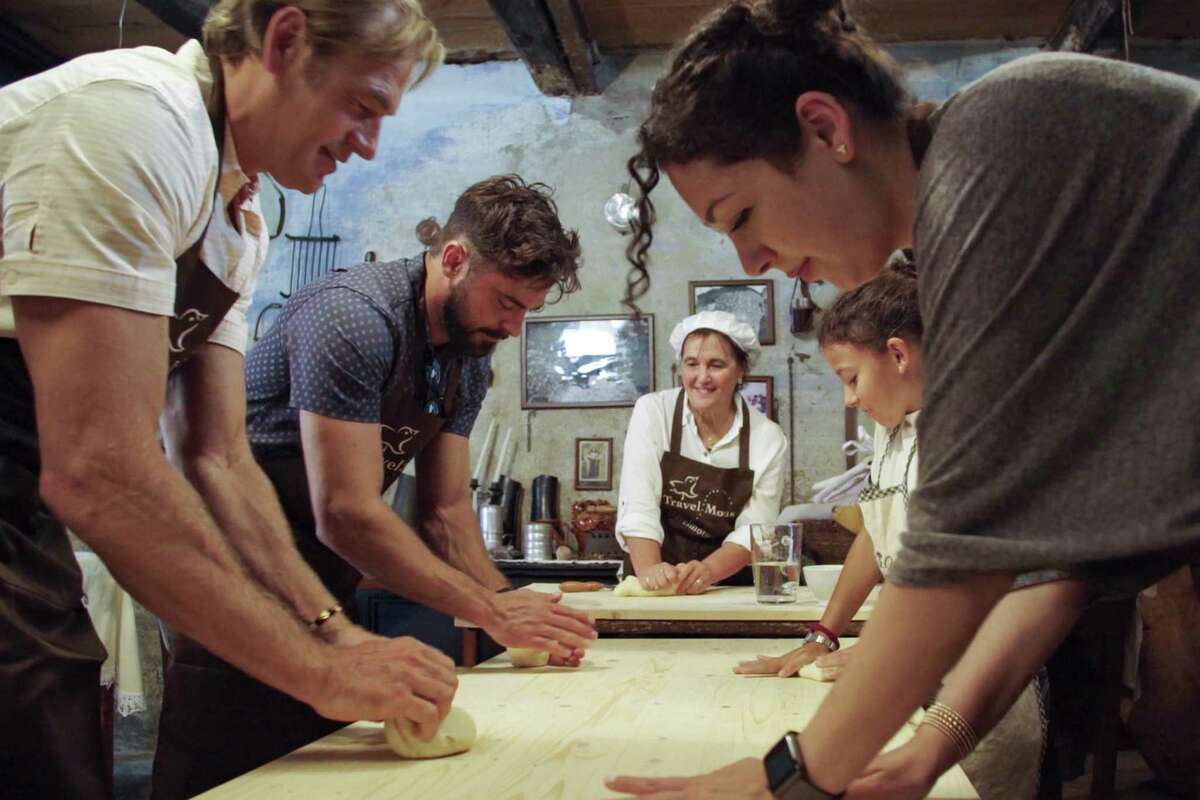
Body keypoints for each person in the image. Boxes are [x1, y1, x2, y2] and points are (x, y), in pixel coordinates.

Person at [606, 0, 1200, 797]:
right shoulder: (957, 236)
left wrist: (793, 778)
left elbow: (963, 546)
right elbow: (1048, 559)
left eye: (741, 215)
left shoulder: (998, 143)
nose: (751, 261)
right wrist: (930, 747)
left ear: (825, 129)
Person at [0, 3, 455, 799]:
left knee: (55, 697)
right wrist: (318, 673)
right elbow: (100, 471)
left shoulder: (240, 218)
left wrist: (333, 630)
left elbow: (217, 457)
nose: (370, 144)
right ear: (284, 41)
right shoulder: (131, 121)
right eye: (363, 105)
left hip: (19, 482)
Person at [149, 174, 598, 797]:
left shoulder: (467, 358)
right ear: (453, 259)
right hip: (232, 564)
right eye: (506, 302)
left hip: (324, 573)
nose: (515, 328)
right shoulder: (355, 316)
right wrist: (488, 610)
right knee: (230, 765)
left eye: (527, 309)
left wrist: (516, 615)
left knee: (316, 768)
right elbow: (346, 512)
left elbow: (444, 512)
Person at [736, 258, 1048, 800]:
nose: (849, 399)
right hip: (912, 662)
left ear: (899, 354)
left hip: (984, 685)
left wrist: (889, 652)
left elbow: (996, 588)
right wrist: (822, 635)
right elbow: (875, 536)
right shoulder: (893, 427)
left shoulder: (975, 429)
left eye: (851, 379)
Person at [616, 310, 787, 593]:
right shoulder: (653, 412)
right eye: (691, 364)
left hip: (724, 586)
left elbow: (755, 530)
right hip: (652, 579)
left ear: (741, 370)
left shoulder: (767, 438)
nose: (701, 377)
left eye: (716, 365)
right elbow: (638, 503)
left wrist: (707, 571)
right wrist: (650, 572)